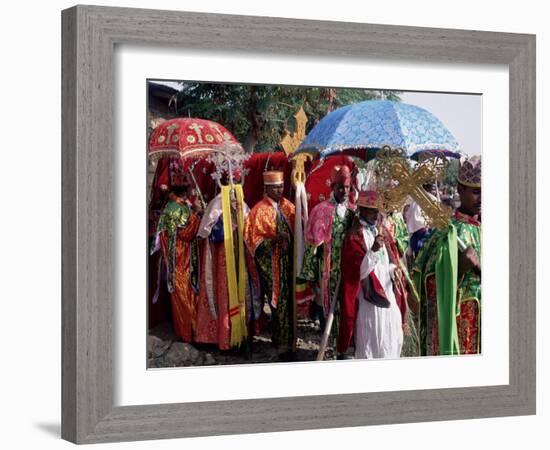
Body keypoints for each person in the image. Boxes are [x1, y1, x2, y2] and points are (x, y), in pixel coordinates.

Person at [412, 156, 481, 356]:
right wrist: (459, 268)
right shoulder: (447, 233)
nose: (482, 198)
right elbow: (429, 284)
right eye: (476, 192)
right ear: (460, 188)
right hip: (462, 326)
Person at [337, 191, 404, 359]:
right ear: (362, 210)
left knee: (391, 335)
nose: (376, 214)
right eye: (372, 210)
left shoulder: (382, 232)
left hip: (387, 293)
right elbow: (357, 273)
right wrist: (373, 250)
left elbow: (390, 261)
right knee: (371, 340)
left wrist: (393, 270)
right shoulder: (355, 237)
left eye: (378, 210)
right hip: (369, 300)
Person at [195, 170, 250, 350]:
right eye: (231, 183)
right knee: (223, 293)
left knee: (240, 292)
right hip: (222, 258)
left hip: (239, 256)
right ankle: (222, 336)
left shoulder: (242, 203)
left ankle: (239, 333)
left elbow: (249, 226)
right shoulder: (217, 202)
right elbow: (205, 231)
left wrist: (237, 215)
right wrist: (223, 219)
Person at [298, 165, 355, 337]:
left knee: (346, 307)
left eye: (347, 187)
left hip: (346, 270)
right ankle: (326, 339)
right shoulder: (320, 211)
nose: (344, 191)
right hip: (327, 270)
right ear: (332, 187)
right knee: (327, 307)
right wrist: (311, 276)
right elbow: (311, 246)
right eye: (341, 187)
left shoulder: (353, 212)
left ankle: (342, 346)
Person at [244, 171, 296, 358]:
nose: (280, 190)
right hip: (272, 264)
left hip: (289, 262)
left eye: (281, 186)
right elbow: (252, 241)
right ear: (266, 188)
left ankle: (291, 338)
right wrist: (273, 240)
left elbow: (298, 228)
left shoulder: (288, 206)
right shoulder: (258, 210)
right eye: (276, 187)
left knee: (290, 300)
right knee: (278, 300)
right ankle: (281, 340)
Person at [151, 183, 201, 342]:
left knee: (179, 295)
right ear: (184, 192)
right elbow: (186, 234)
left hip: (174, 258)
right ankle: (189, 332)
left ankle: (185, 332)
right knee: (185, 294)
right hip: (182, 258)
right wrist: (197, 215)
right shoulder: (179, 209)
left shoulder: (170, 207)